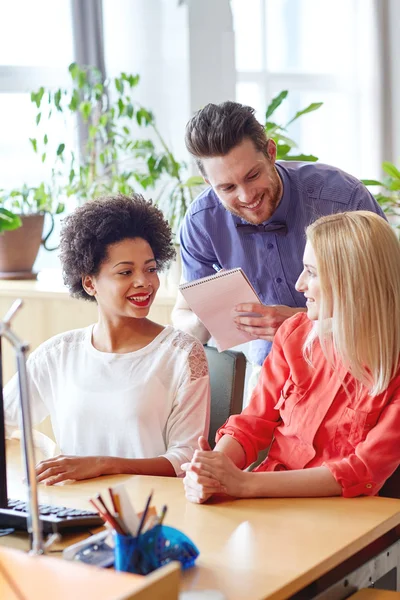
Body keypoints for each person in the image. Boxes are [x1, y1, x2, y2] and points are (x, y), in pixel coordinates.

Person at [182, 211, 400, 502]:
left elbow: (364, 471)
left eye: (312, 272)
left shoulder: (393, 366)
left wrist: (244, 484)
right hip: (264, 500)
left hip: (339, 517)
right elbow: (252, 423)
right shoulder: (294, 333)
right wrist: (214, 469)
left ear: (353, 281)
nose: (299, 285)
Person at [4, 194, 210, 484]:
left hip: (151, 513)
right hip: (71, 511)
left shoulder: (181, 354)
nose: (144, 282)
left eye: (150, 269)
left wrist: (102, 465)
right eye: (125, 272)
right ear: (89, 283)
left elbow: (186, 458)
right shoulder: (57, 355)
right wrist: (44, 454)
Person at [172, 101, 385, 368]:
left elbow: (386, 301)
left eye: (252, 175)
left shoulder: (343, 198)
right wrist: (207, 318)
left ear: (271, 152)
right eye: (227, 187)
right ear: (209, 184)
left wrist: (301, 322)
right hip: (267, 369)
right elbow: (184, 316)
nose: (246, 196)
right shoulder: (201, 222)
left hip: (353, 359)